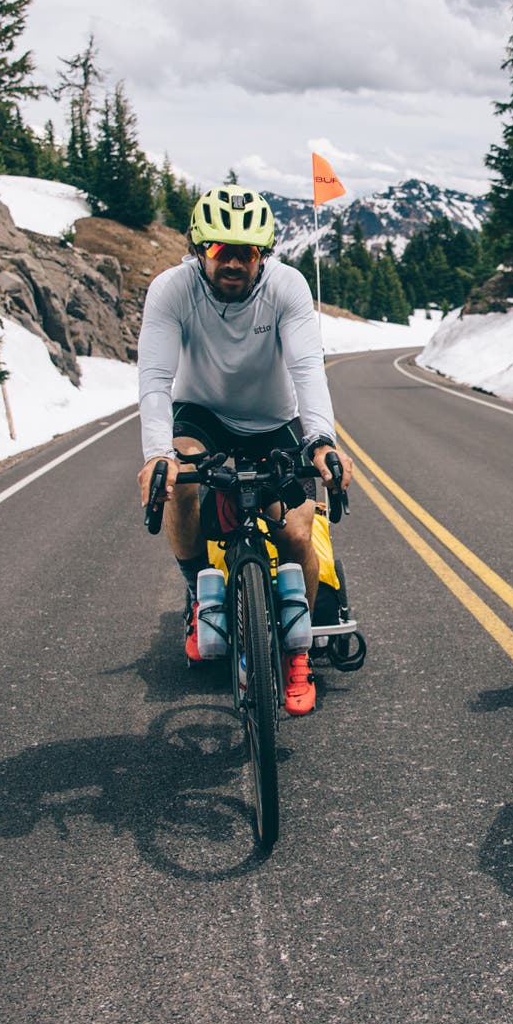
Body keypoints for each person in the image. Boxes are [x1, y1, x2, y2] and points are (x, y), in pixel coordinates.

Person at [135, 184, 344, 716]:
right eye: (219, 250)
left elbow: (307, 370)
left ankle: (298, 656)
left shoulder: (288, 288)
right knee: (179, 483)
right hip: (201, 415)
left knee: (298, 531)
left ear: (264, 254)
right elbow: (156, 379)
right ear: (198, 250)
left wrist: (321, 441)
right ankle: (194, 595)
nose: (232, 262)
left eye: (246, 252)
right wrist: (158, 455)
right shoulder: (171, 290)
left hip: (274, 422)